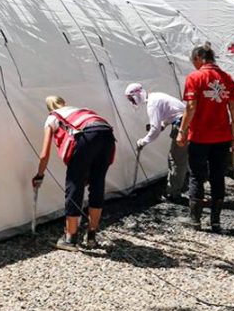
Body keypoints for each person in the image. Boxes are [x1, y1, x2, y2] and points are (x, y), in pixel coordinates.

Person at [32, 95, 115, 250]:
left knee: (74, 185)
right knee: (97, 184)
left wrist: (39, 175)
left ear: (49, 108)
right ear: (64, 103)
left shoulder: (53, 117)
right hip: (107, 134)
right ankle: (91, 236)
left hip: (86, 136)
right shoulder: (80, 111)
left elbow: (44, 154)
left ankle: (70, 238)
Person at [176, 43, 234, 232]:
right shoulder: (227, 78)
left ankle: (195, 220)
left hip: (200, 136)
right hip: (222, 136)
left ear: (198, 58)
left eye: (193, 61)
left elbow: (191, 107)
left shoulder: (195, 77)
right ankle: (215, 221)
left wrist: (182, 130)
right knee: (218, 176)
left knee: (196, 175)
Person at [124, 83, 187, 202]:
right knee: (179, 159)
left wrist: (143, 141)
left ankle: (173, 194)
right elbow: (173, 112)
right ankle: (178, 189)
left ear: (136, 94)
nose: (132, 102)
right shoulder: (156, 96)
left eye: (131, 99)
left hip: (183, 126)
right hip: (186, 122)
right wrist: (164, 124)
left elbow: (155, 129)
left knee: (176, 160)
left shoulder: (152, 104)